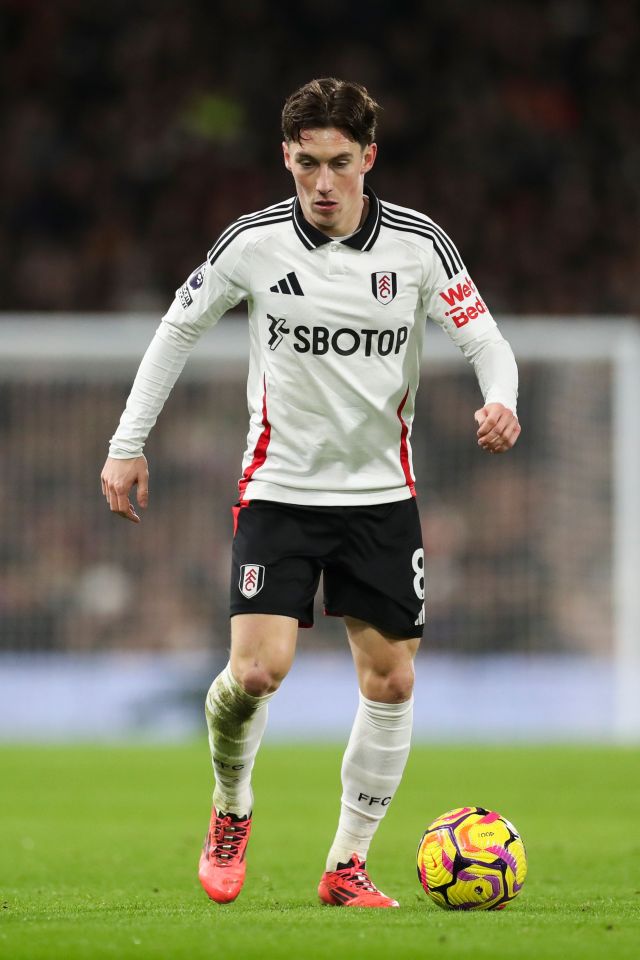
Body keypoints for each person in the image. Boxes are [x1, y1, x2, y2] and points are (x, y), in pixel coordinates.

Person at [101, 77, 520, 909]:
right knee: (256, 675)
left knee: (393, 684)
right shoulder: (251, 244)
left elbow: (486, 340)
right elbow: (177, 329)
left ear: (369, 158)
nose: (323, 185)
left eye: (338, 164)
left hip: (381, 497)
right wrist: (125, 443)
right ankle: (229, 808)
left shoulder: (418, 247)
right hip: (279, 491)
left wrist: (501, 397)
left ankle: (346, 865)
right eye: (305, 166)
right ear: (285, 158)